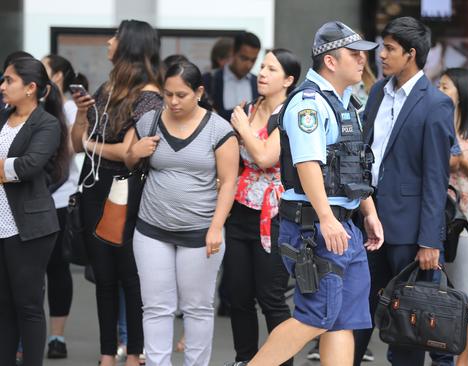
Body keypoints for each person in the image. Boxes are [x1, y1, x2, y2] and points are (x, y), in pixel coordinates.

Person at [225, 20, 384, 366]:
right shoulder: (307, 104)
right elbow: (308, 164)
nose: (363, 61)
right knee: (316, 315)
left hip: (345, 225)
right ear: (330, 60)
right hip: (315, 227)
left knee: (343, 319)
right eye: (354, 54)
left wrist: (368, 210)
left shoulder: (344, 102)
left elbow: (353, 164)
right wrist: (327, 219)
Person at [352, 16, 456, 366]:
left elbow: (435, 178)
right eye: (383, 47)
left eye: (390, 49)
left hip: (409, 232)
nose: (381, 55)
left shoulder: (435, 104)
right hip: (366, 218)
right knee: (358, 309)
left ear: (410, 54)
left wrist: (430, 241)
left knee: (407, 320)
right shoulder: (379, 91)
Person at [124, 60, 238, 366]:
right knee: (156, 307)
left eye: (181, 95)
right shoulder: (149, 120)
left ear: (198, 92)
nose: (173, 102)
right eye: (168, 94)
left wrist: (216, 227)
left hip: (201, 231)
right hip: (151, 228)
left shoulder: (219, 129)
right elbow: (128, 159)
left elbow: (229, 182)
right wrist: (135, 152)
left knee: (198, 308)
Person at [70, 19, 163, 366]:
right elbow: (75, 143)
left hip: (126, 190)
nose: (108, 42)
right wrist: (81, 118)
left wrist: (89, 142)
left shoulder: (150, 95)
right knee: (103, 278)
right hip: (95, 188)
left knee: (129, 276)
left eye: (114, 37)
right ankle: (107, 354)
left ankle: (135, 354)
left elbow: (129, 155)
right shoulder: (108, 87)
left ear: (129, 45)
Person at [224, 48, 300, 365]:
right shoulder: (252, 108)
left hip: (275, 214)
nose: (263, 73)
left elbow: (266, 157)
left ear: (289, 79)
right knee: (237, 294)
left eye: (271, 69)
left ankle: (281, 361)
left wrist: (241, 127)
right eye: (262, 67)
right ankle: (245, 358)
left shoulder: (289, 113)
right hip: (241, 210)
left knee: (271, 296)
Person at [0, 56, 67, 366]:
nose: (2, 86)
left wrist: (8, 169)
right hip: (1, 225)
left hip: (28, 228)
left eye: (8, 80)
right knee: (4, 307)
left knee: (27, 305)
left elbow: (29, 166)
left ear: (30, 88)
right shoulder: (2, 117)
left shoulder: (47, 123)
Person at [438, 67, 468, 366]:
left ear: (461, 93)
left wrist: (461, 163)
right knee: (437, 293)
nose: (438, 90)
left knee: (466, 295)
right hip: (434, 220)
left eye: (445, 86)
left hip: (467, 223)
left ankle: (463, 361)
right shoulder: (433, 125)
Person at [41, 53, 87, 359]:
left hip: (58, 198)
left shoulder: (70, 108)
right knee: (27, 273)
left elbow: (71, 150)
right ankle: (22, 337)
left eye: (43, 68)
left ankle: (56, 337)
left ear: (57, 76)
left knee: (57, 268)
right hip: (25, 200)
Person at [209, 32, 261, 120]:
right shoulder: (211, 79)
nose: (248, 65)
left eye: (253, 60)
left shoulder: (258, 83)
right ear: (233, 52)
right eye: (244, 58)